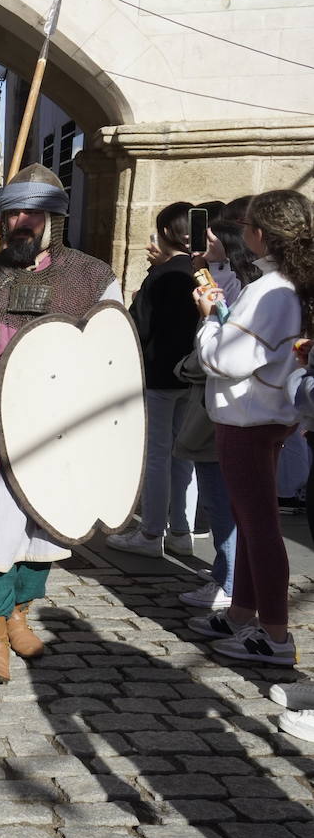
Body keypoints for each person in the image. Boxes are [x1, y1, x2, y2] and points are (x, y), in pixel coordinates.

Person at [0, 164, 121, 685]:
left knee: (43, 519)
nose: (19, 222)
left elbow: (112, 354)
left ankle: (18, 613)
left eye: (30, 213)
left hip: (54, 417)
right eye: (11, 212)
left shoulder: (92, 277)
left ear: (53, 219)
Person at [190, 189, 311, 666]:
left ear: (260, 234)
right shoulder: (279, 285)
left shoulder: (273, 290)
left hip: (250, 416)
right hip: (255, 414)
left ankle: (275, 634)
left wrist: (207, 321)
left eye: (244, 228)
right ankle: (243, 613)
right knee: (251, 521)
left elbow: (229, 357)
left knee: (259, 527)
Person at [172, 217, 262, 610]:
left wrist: (208, 315)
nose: (203, 243)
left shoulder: (246, 288)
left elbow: (222, 349)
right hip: (221, 401)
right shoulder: (227, 277)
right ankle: (225, 576)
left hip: (226, 404)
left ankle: (229, 581)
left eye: (211, 238)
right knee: (220, 498)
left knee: (222, 499)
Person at [107, 202, 201, 558]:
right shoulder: (198, 272)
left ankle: (150, 533)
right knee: (184, 455)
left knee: (158, 455)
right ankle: (181, 529)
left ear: (165, 234)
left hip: (160, 376)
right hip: (191, 376)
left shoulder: (160, 277)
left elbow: (137, 326)